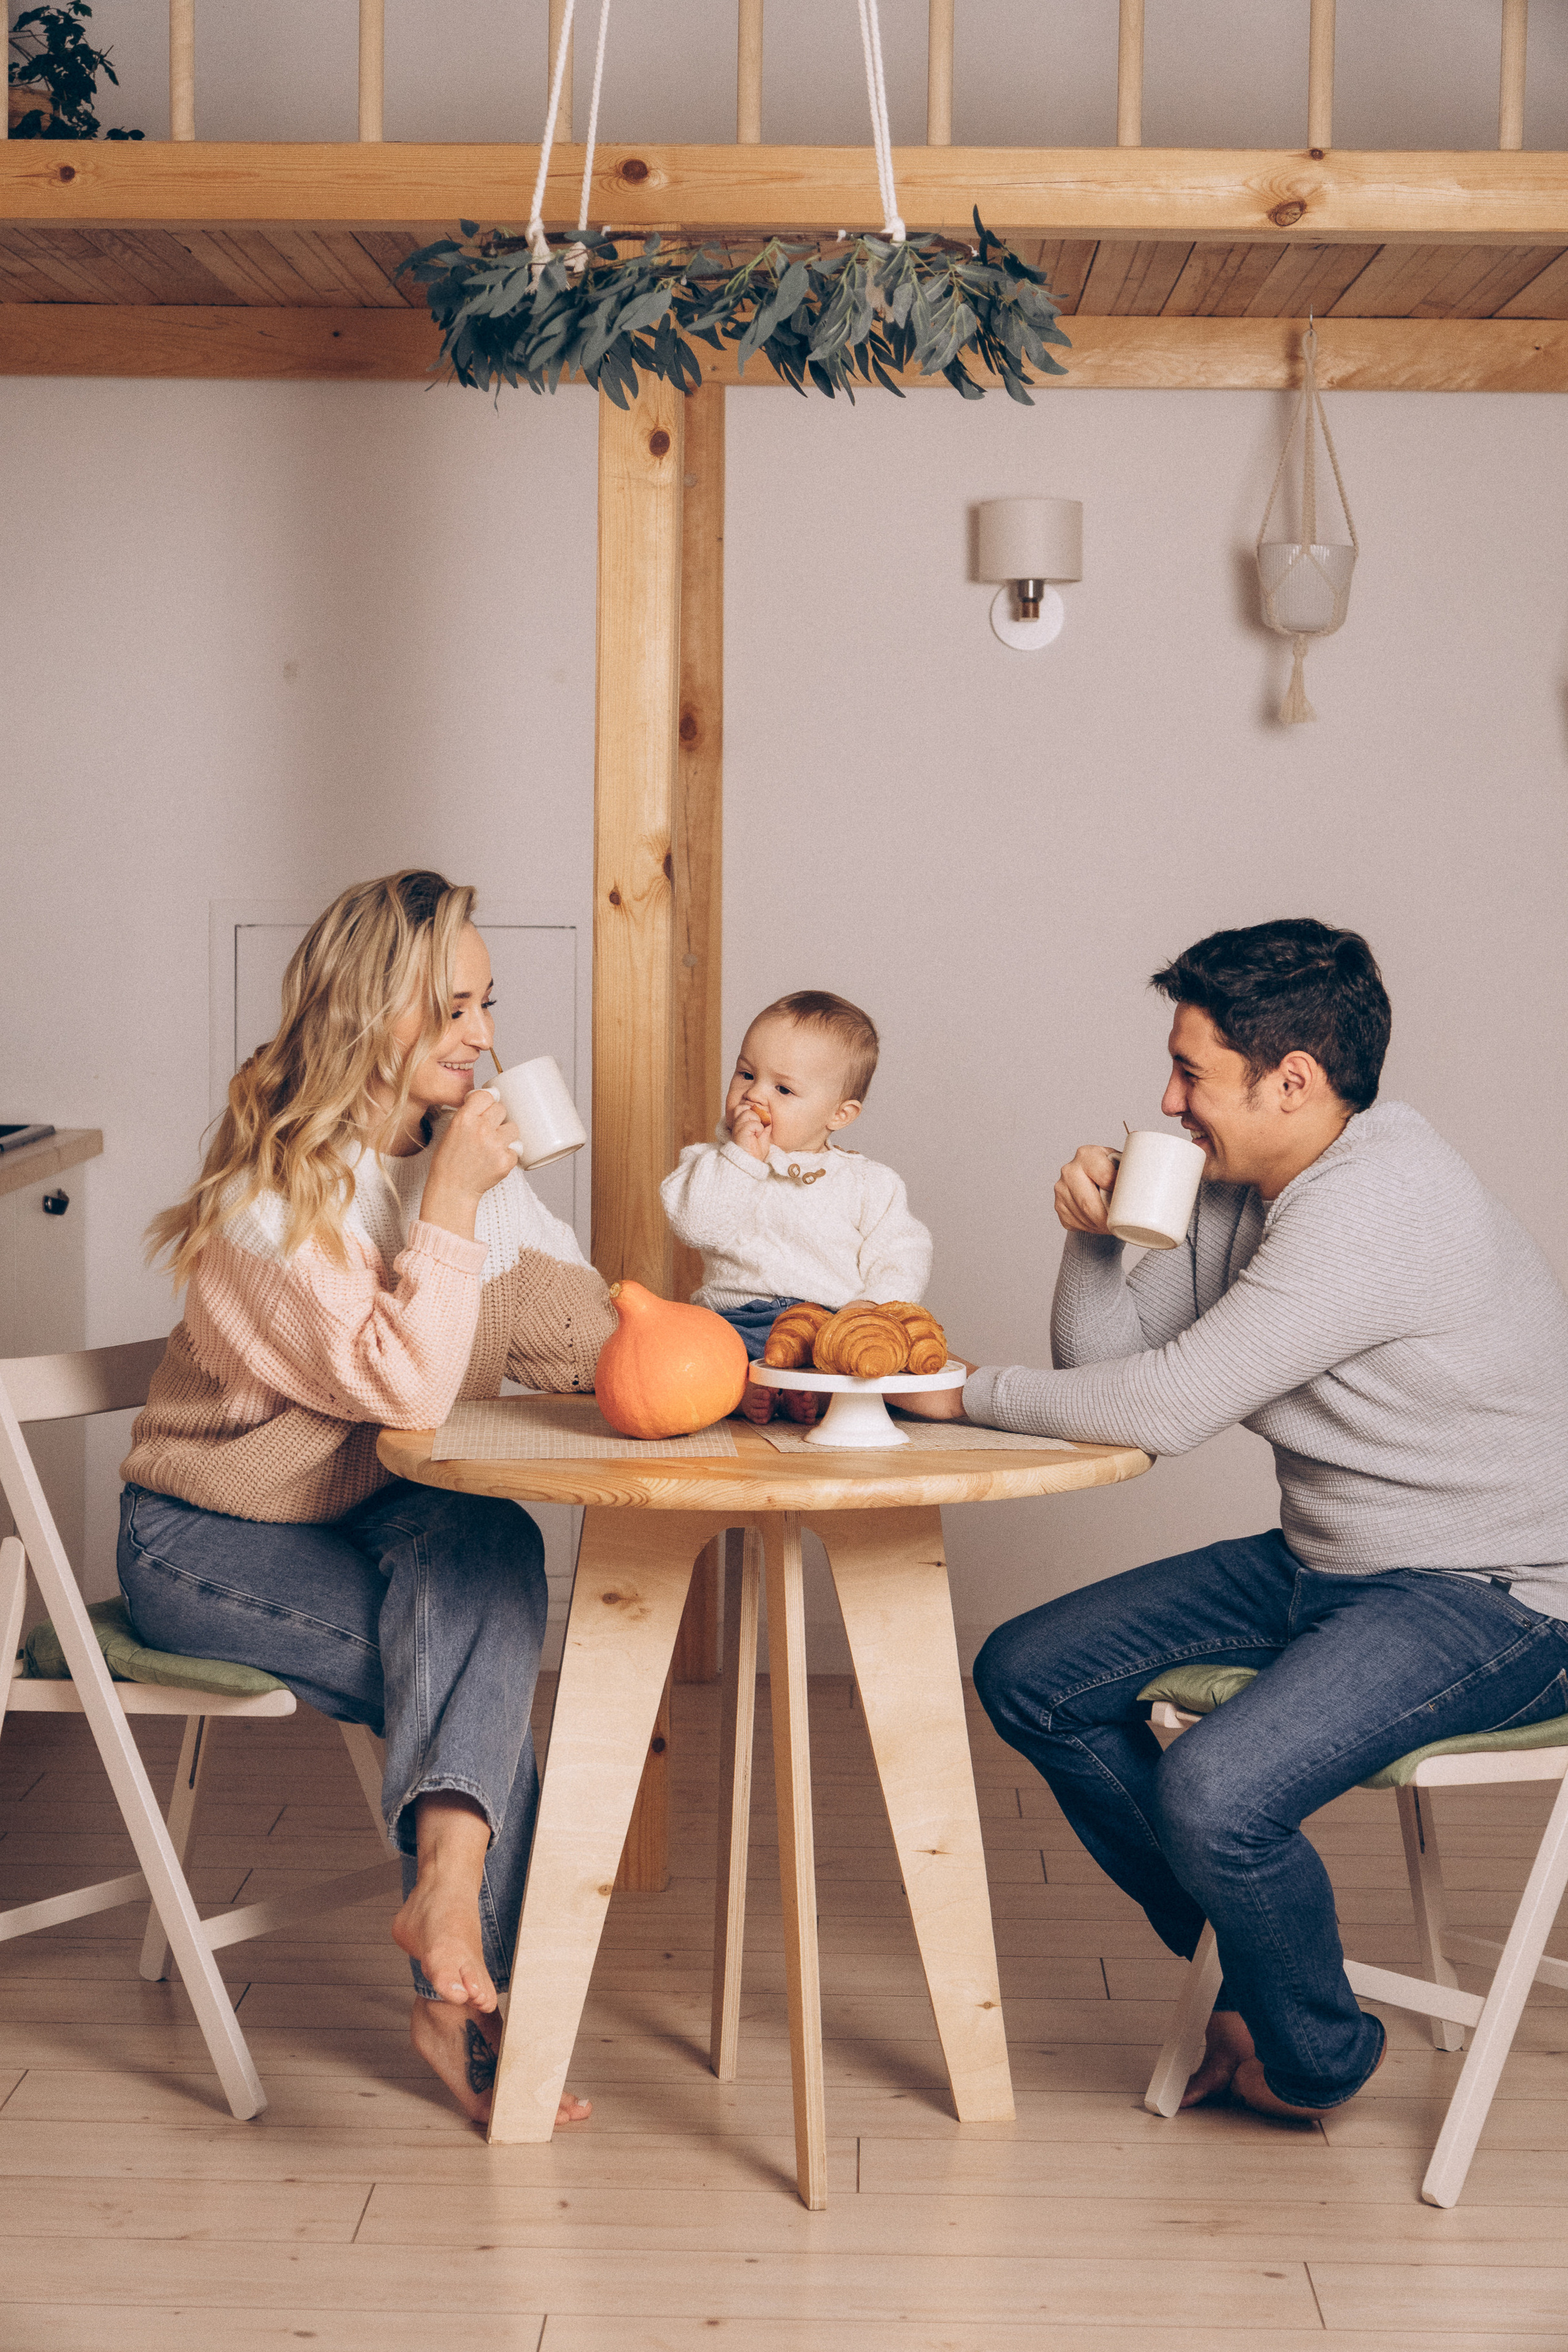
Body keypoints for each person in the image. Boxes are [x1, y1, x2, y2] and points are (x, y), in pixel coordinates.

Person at [903, 918, 1568, 2119]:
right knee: (1030, 1674)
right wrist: (1091, 1240)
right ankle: (1252, 1979)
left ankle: (1311, 2055)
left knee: (1212, 1793)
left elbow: (1162, 1408)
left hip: (1494, 1597)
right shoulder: (1239, 1184)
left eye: (1190, 1073)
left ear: (1293, 1082)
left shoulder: (1376, 1202)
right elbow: (1104, 1369)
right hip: (1335, 1562)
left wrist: (960, 1391)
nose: (1164, 1101)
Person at [118, 870, 616, 2127]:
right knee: (478, 1682)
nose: (486, 1036)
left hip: (350, 1513)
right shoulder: (268, 1202)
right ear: (364, 1012)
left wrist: (483, 1200)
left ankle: (450, 1918)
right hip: (207, 1541)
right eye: (451, 1008)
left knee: (491, 1538)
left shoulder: (435, 1153)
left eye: (488, 1005)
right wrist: (454, 1203)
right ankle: (476, 2003)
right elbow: (410, 1389)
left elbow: (577, 1317)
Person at [660, 990, 932, 1422]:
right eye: (746, 1074)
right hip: (733, 1319)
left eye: (783, 1088)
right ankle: (743, 1388)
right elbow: (698, 1227)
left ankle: (809, 1392)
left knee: (853, 1360)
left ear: (839, 1115)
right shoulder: (711, 1163)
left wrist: (872, 1307)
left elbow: (902, 1253)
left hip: (825, 1322)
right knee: (681, 1347)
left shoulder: (869, 1183)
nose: (755, 1096)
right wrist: (740, 1159)